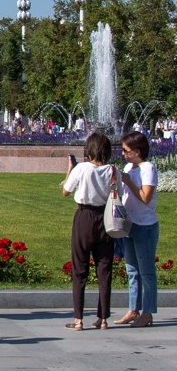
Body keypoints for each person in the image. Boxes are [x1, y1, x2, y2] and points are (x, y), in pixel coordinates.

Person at [62, 132, 116, 330]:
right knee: (104, 269)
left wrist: (70, 169)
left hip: (84, 217)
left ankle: (78, 318)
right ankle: (103, 318)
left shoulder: (82, 168)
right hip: (105, 218)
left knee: (80, 268)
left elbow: (66, 191)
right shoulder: (112, 170)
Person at [116, 130, 159, 328]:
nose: (123, 153)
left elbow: (145, 197)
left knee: (146, 271)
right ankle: (133, 309)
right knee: (132, 269)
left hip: (145, 225)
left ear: (137, 150)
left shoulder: (147, 168)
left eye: (126, 150)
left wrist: (129, 182)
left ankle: (147, 312)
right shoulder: (128, 167)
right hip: (130, 224)